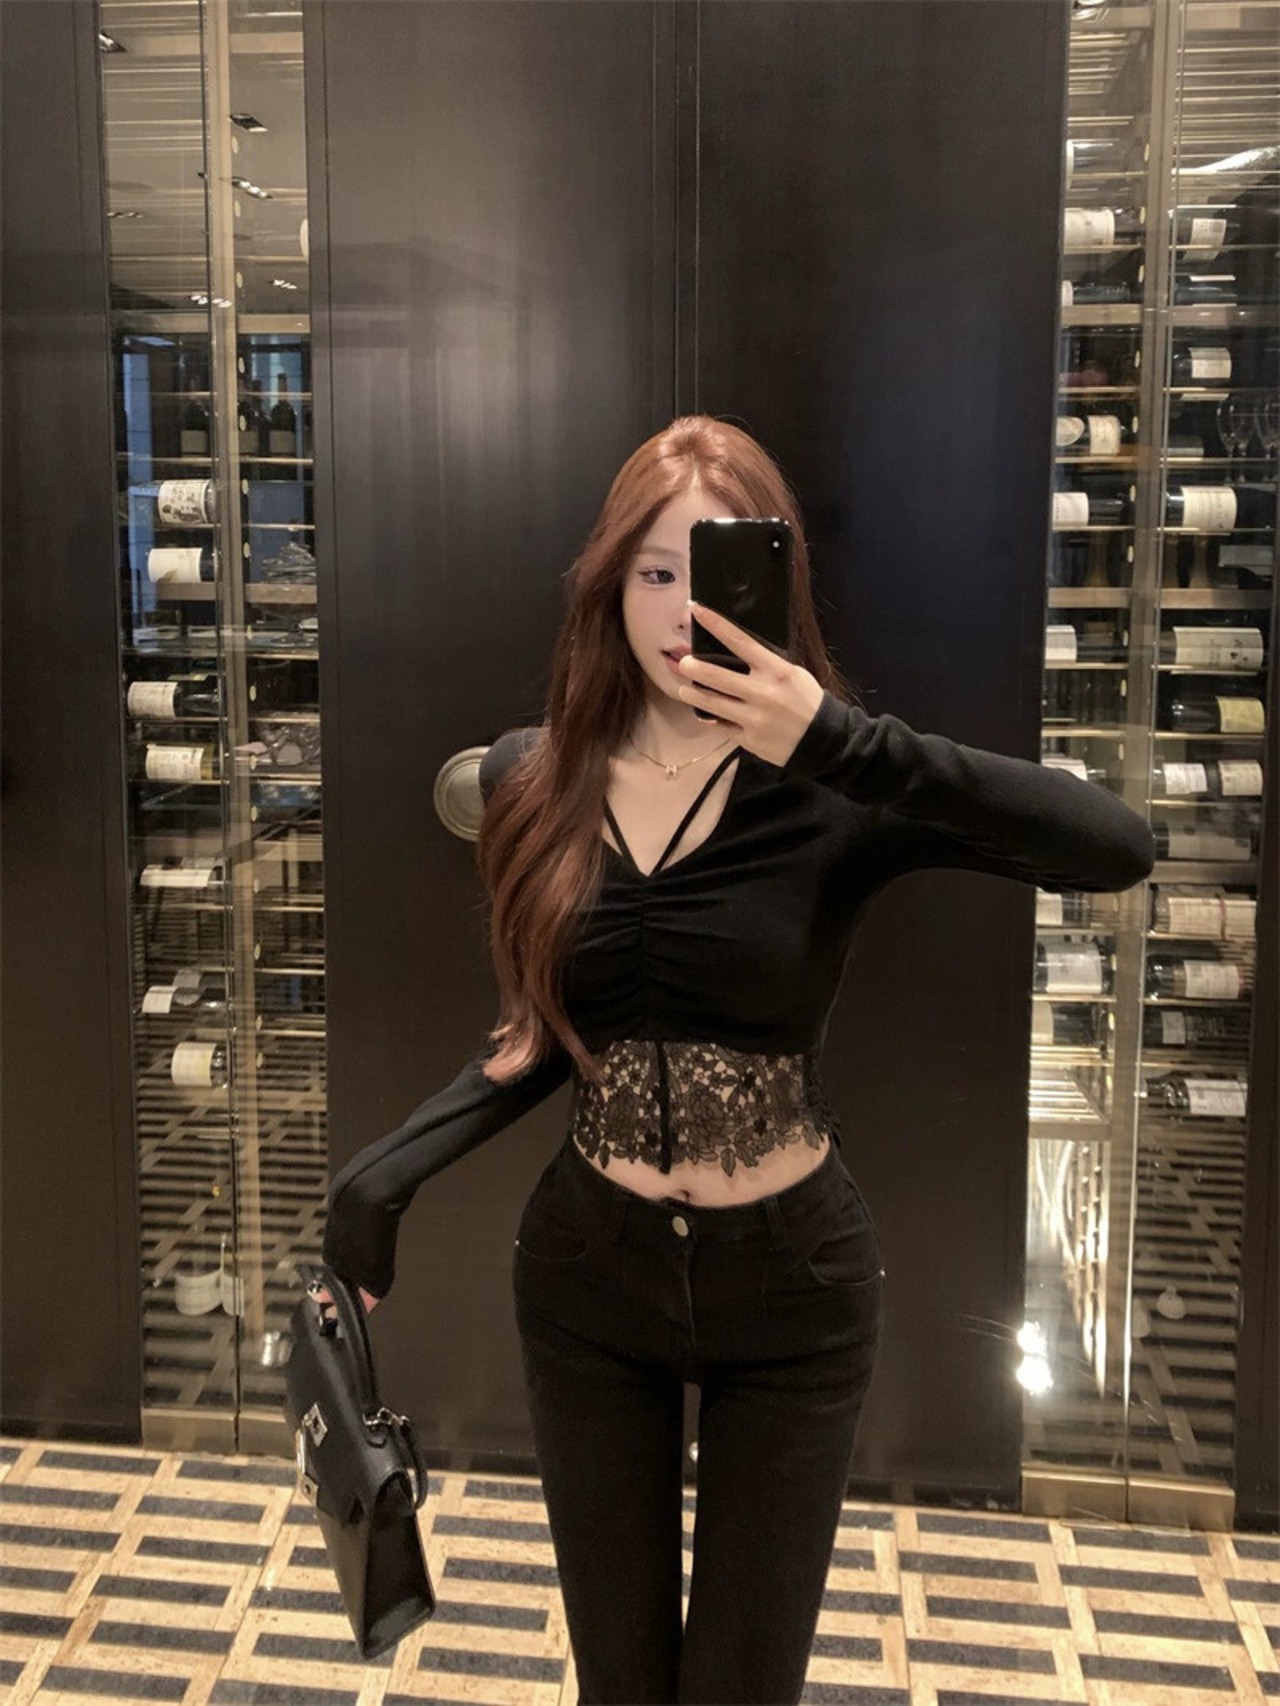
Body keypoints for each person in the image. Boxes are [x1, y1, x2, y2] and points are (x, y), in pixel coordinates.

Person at [318, 416, 1155, 1704]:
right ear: (610, 585)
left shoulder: (838, 785)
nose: (680, 608)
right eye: (653, 571)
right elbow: (548, 1037)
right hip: (588, 1281)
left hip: (793, 1293)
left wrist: (838, 739)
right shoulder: (537, 776)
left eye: (712, 570)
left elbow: (1114, 845)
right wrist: (386, 1174)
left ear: (772, 583)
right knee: (621, 1687)